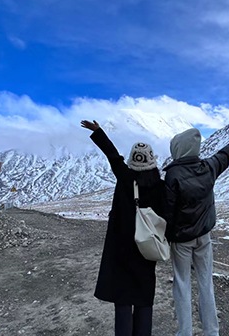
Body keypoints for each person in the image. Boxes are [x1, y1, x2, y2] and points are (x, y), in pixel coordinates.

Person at [163, 127, 229, 336]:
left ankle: (185, 332)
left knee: (182, 284)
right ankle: (211, 331)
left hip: (181, 241)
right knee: (206, 283)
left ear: (179, 149)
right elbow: (224, 155)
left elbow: (167, 211)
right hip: (204, 237)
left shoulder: (173, 175)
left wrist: (166, 236)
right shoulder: (208, 167)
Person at [81, 119, 165, 336]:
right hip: (146, 248)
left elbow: (112, 155)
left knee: (123, 298)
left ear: (132, 162)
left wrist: (99, 132)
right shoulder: (160, 186)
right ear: (152, 161)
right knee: (144, 297)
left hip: (121, 248)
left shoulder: (124, 176)